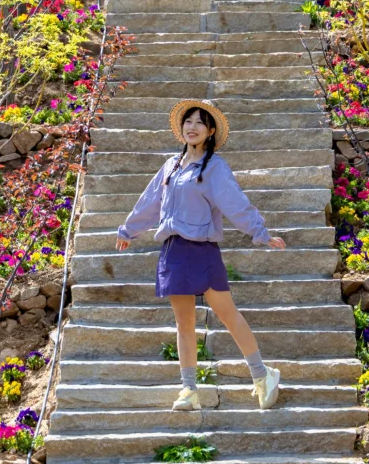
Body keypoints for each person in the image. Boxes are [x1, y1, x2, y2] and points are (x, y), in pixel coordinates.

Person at [116, 99, 287, 411]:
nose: (191, 127)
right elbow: (150, 201)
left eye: (199, 122)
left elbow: (234, 202)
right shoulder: (170, 165)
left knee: (226, 313)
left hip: (202, 250)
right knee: (184, 323)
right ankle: (189, 391)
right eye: (188, 121)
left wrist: (260, 233)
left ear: (210, 131)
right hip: (173, 250)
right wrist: (128, 230)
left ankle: (263, 375)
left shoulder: (215, 168)